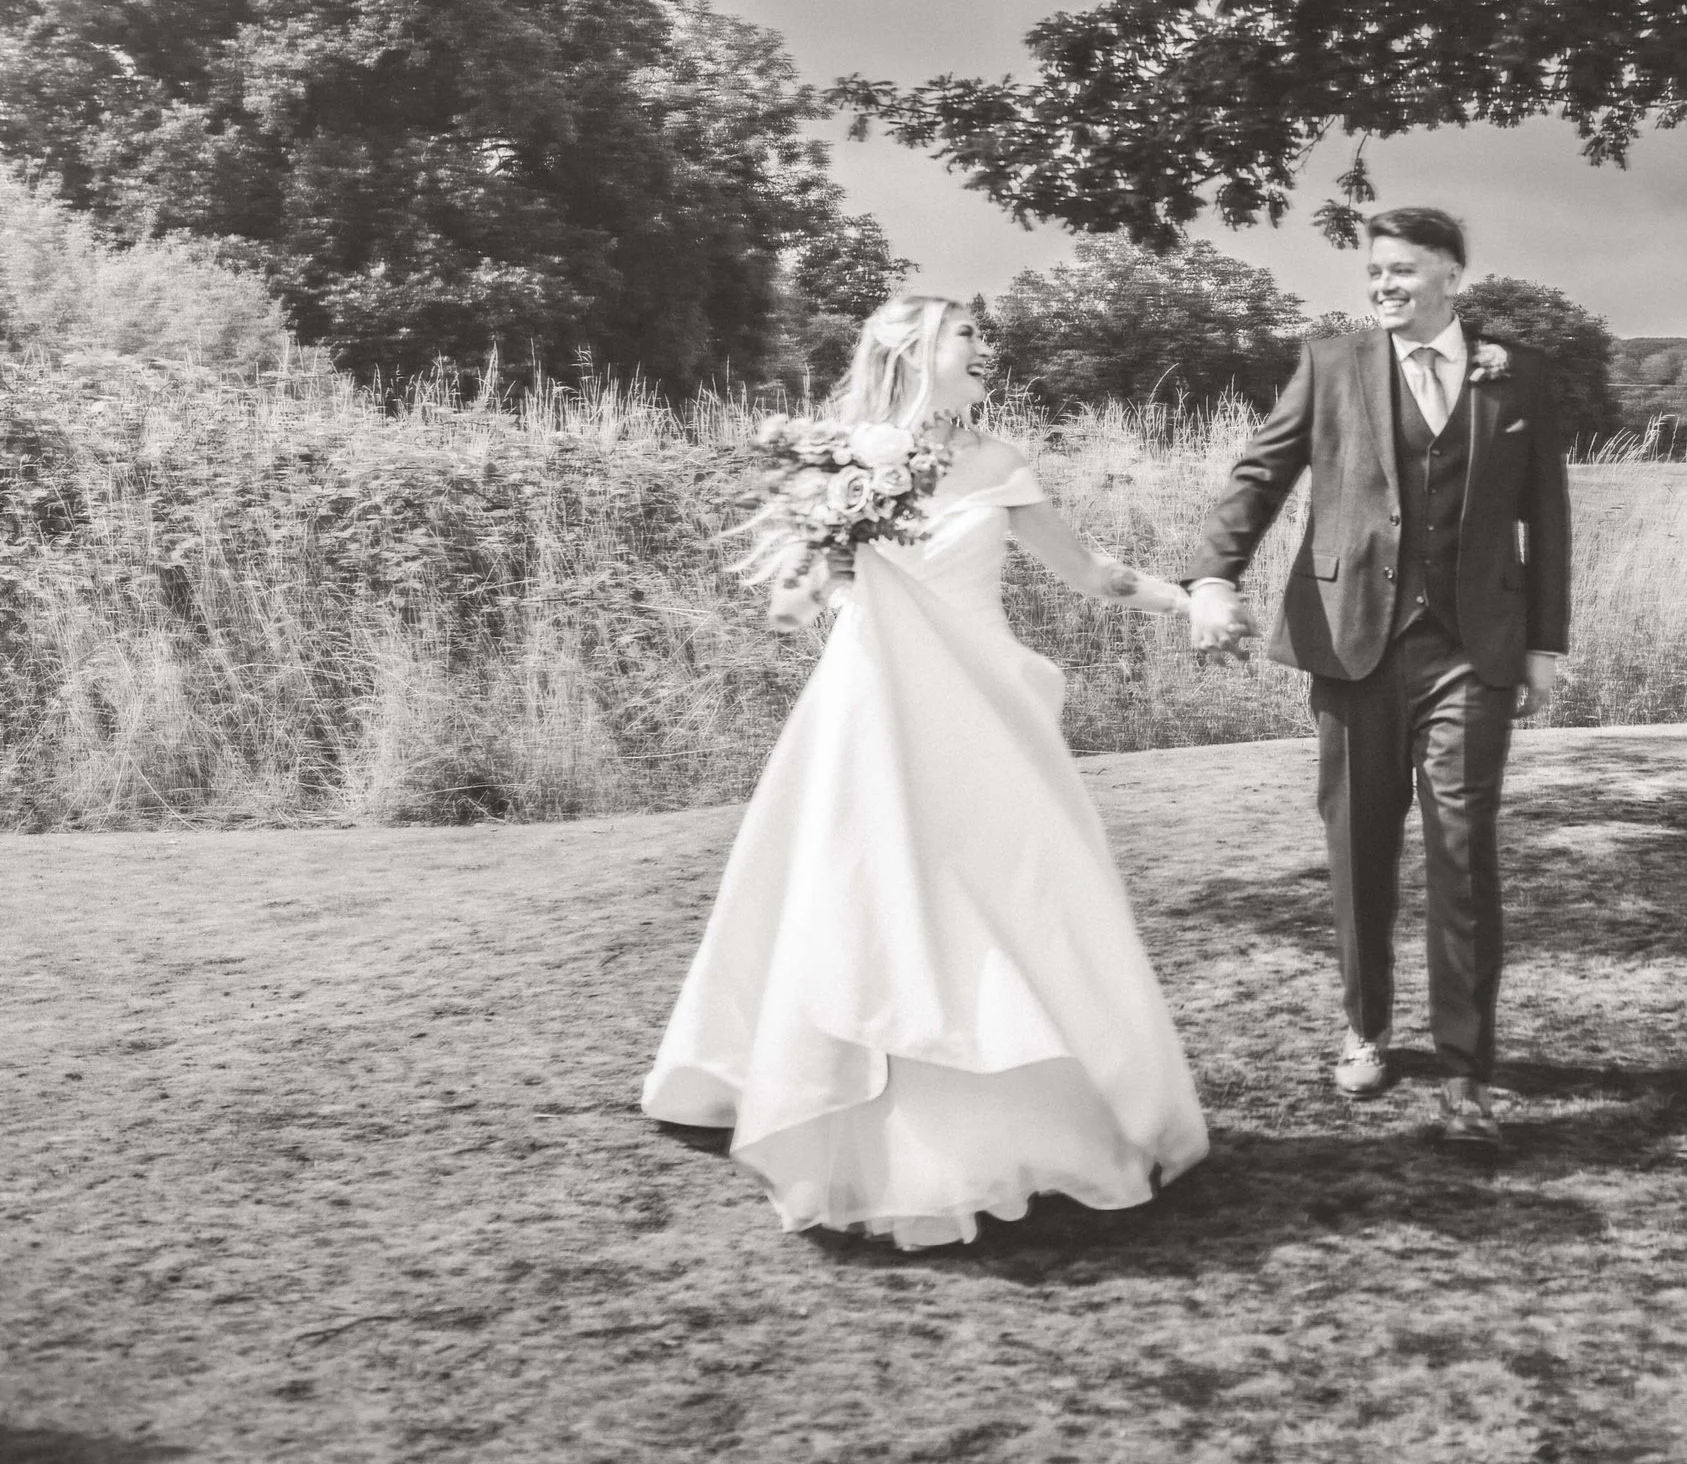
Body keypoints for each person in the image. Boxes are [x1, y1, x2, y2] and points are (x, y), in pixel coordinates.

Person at [642, 296, 1209, 1247]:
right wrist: (829, 545)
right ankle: (826, 1095)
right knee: (861, 889)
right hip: (872, 710)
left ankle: (1046, 1114)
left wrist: (1186, 603)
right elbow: (792, 607)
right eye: (968, 335)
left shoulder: (999, 463)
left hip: (982, 711)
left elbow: (1090, 574)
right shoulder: (833, 457)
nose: (987, 350)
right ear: (913, 351)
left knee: (1014, 888)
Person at [1186, 207, 1572, 1148]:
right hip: (1353, 640)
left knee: (1462, 850)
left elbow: (1546, 511)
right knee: (1359, 846)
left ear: (1452, 276)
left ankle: (1467, 1071)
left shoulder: (1518, 373)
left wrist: (1547, 642)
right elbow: (1260, 474)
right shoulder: (1330, 364)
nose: (1384, 286)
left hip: (1474, 649)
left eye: (1403, 270)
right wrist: (1212, 576)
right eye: (1375, 274)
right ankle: (1366, 1028)